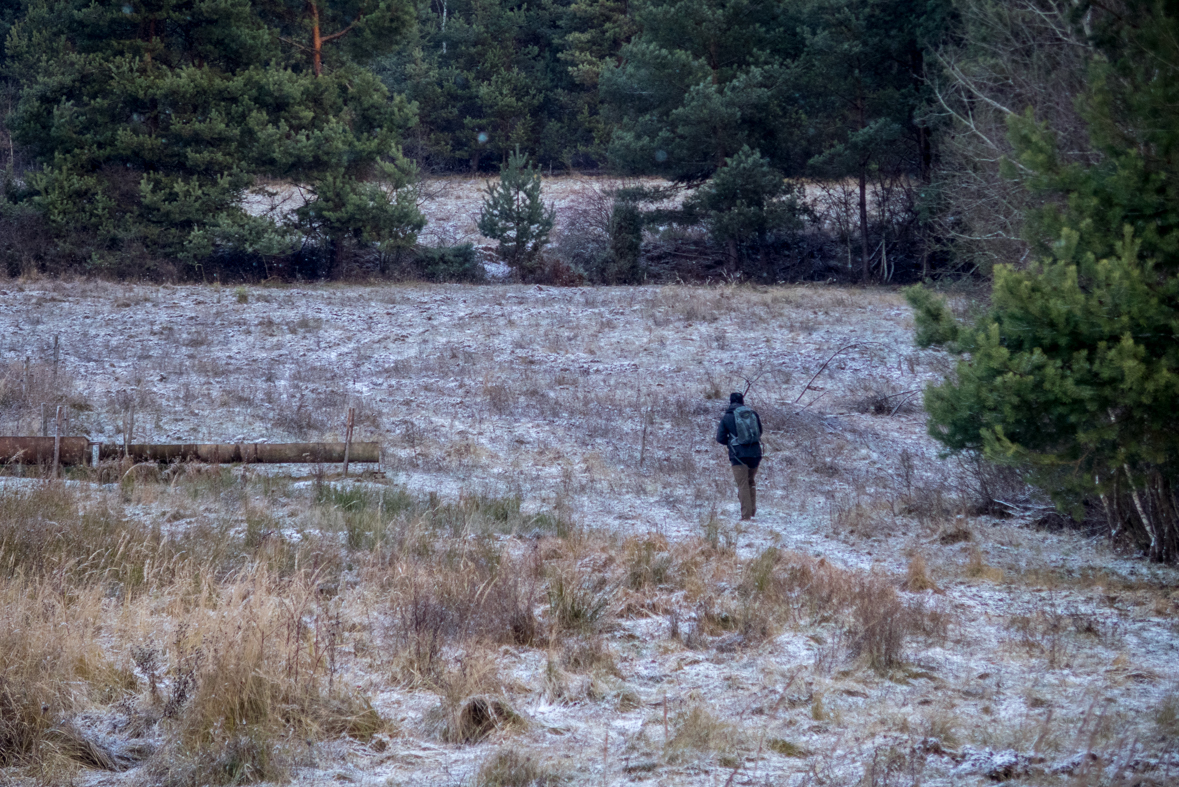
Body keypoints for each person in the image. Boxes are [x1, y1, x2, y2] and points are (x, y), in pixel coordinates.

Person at [716, 392, 763, 520]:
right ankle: (752, 511)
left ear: (730, 402)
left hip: (737, 455)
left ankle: (746, 516)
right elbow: (760, 432)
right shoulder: (753, 414)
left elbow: (720, 438)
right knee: (750, 481)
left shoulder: (727, 417)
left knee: (742, 484)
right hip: (755, 453)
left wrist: (731, 443)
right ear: (742, 401)